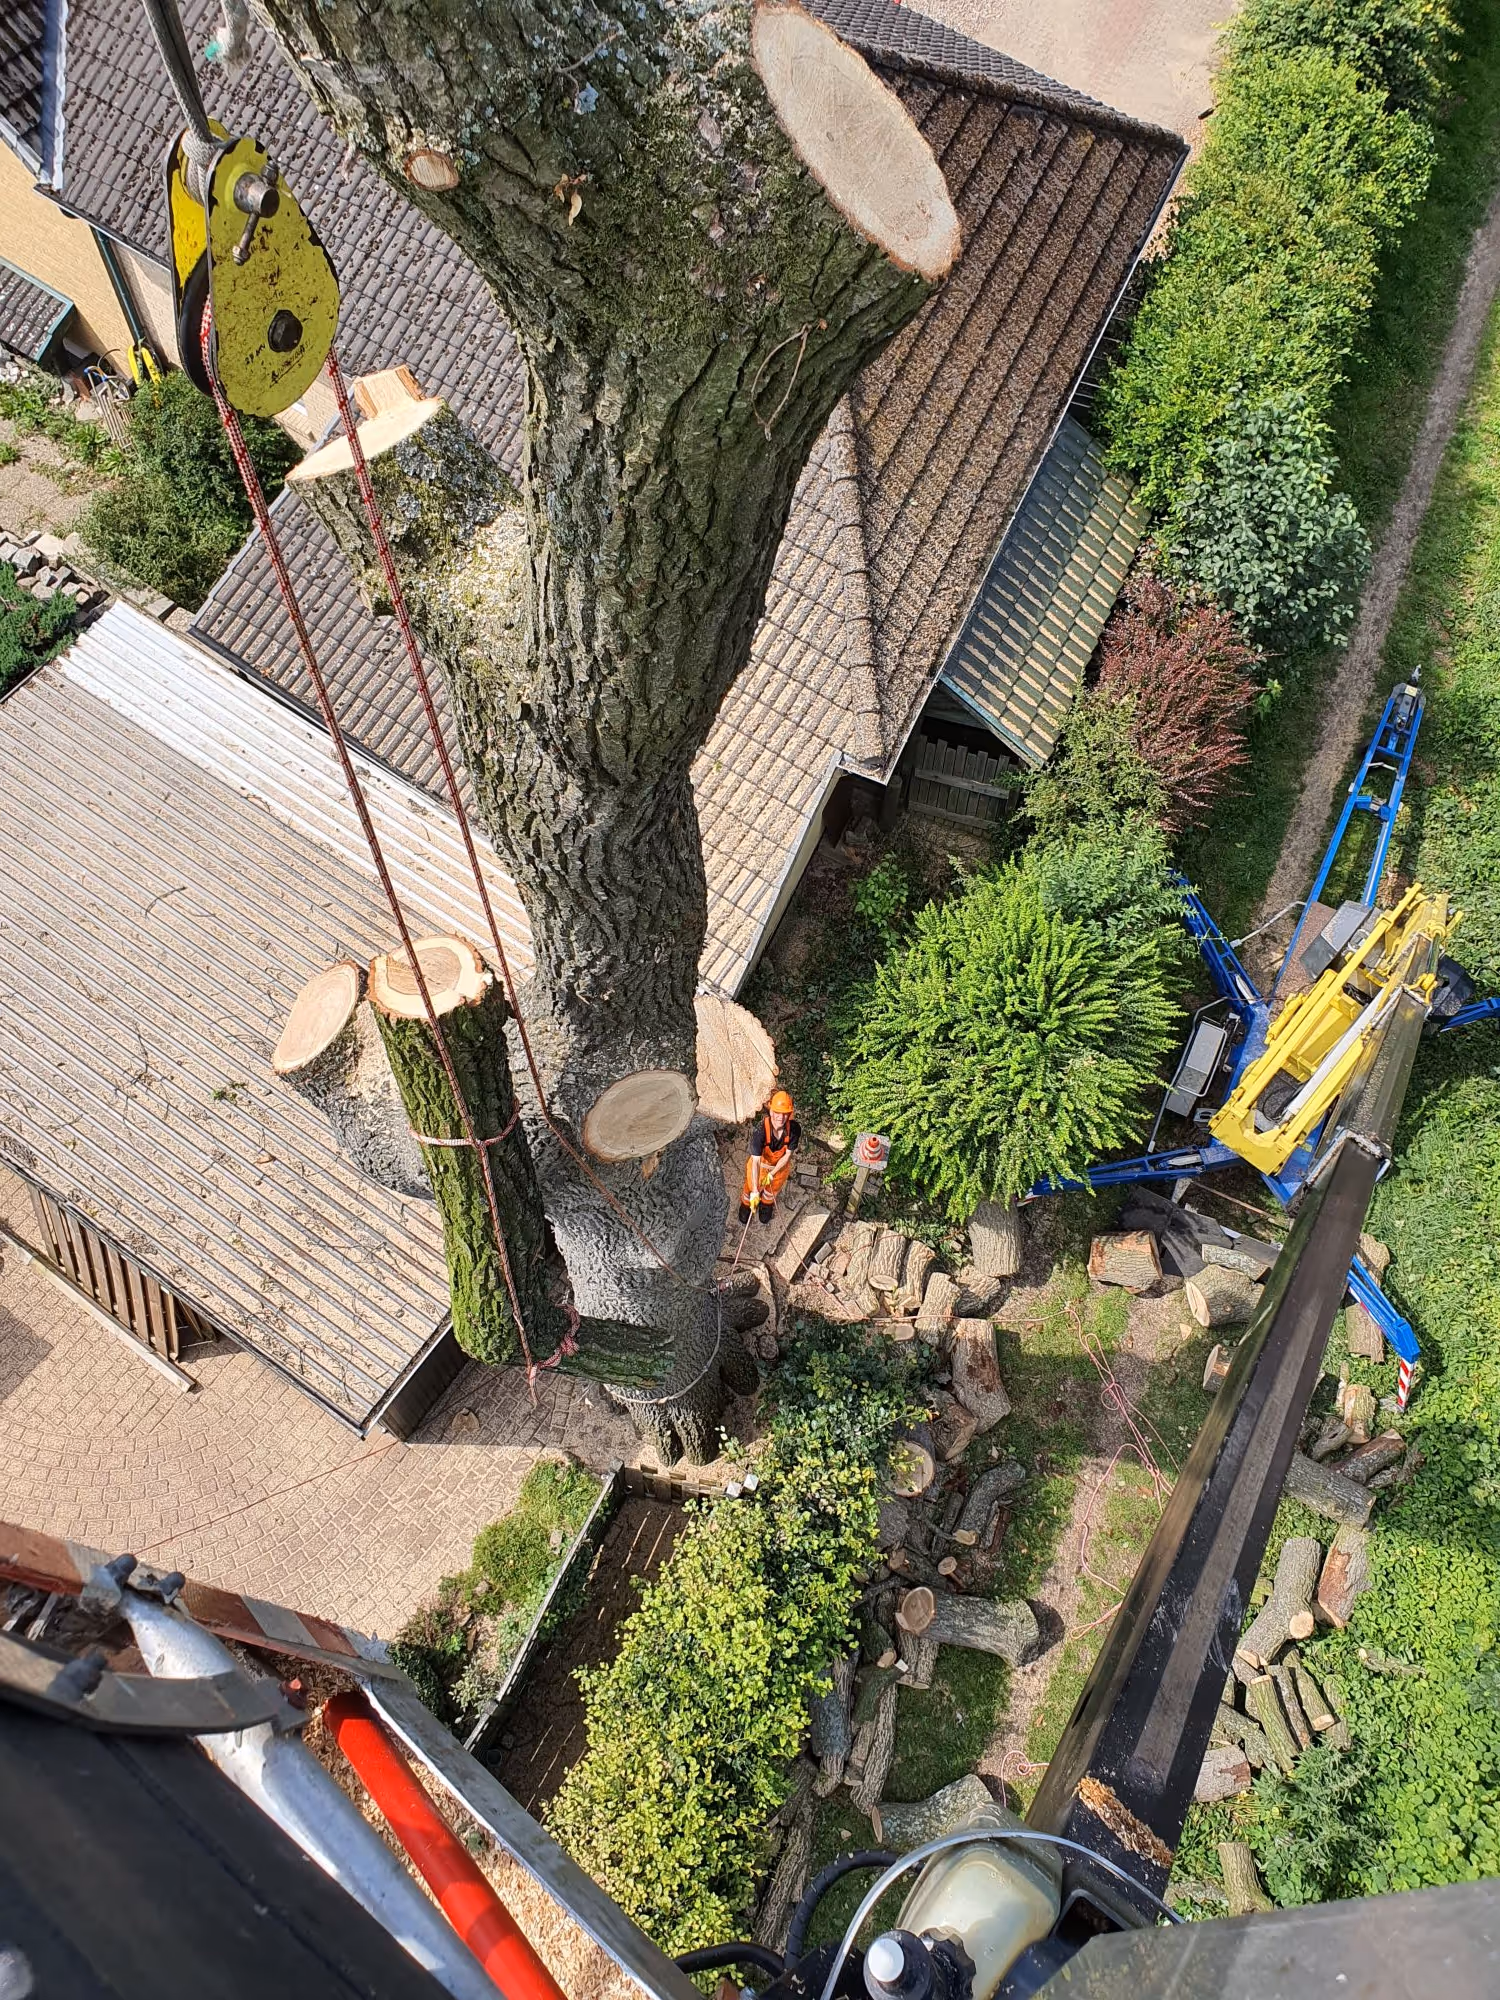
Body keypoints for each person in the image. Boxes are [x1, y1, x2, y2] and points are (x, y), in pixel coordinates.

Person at [740, 1090, 801, 1227]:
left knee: (771, 1191)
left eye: (784, 1113)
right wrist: (755, 1190)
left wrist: (772, 1174)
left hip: (779, 1169)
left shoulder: (794, 1130)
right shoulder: (760, 1131)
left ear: (789, 1114)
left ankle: (766, 1206)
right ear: (771, 1111)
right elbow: (755, 1162)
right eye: (777, 1112)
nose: (781, 1117)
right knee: (749, 1188)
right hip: (760, 1166)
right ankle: (746, 1205)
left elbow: (787, 1155)